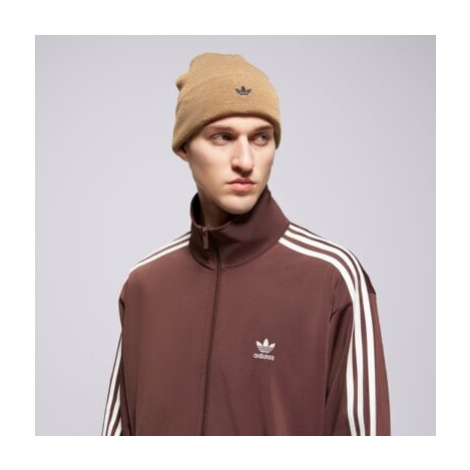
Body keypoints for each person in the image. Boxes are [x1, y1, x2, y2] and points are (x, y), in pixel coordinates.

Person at [101, 52, 391, 436]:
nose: (245, 160)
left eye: (261, 138)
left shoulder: (333, 277)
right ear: (184, 146)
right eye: (222, 137)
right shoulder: (145, 285)